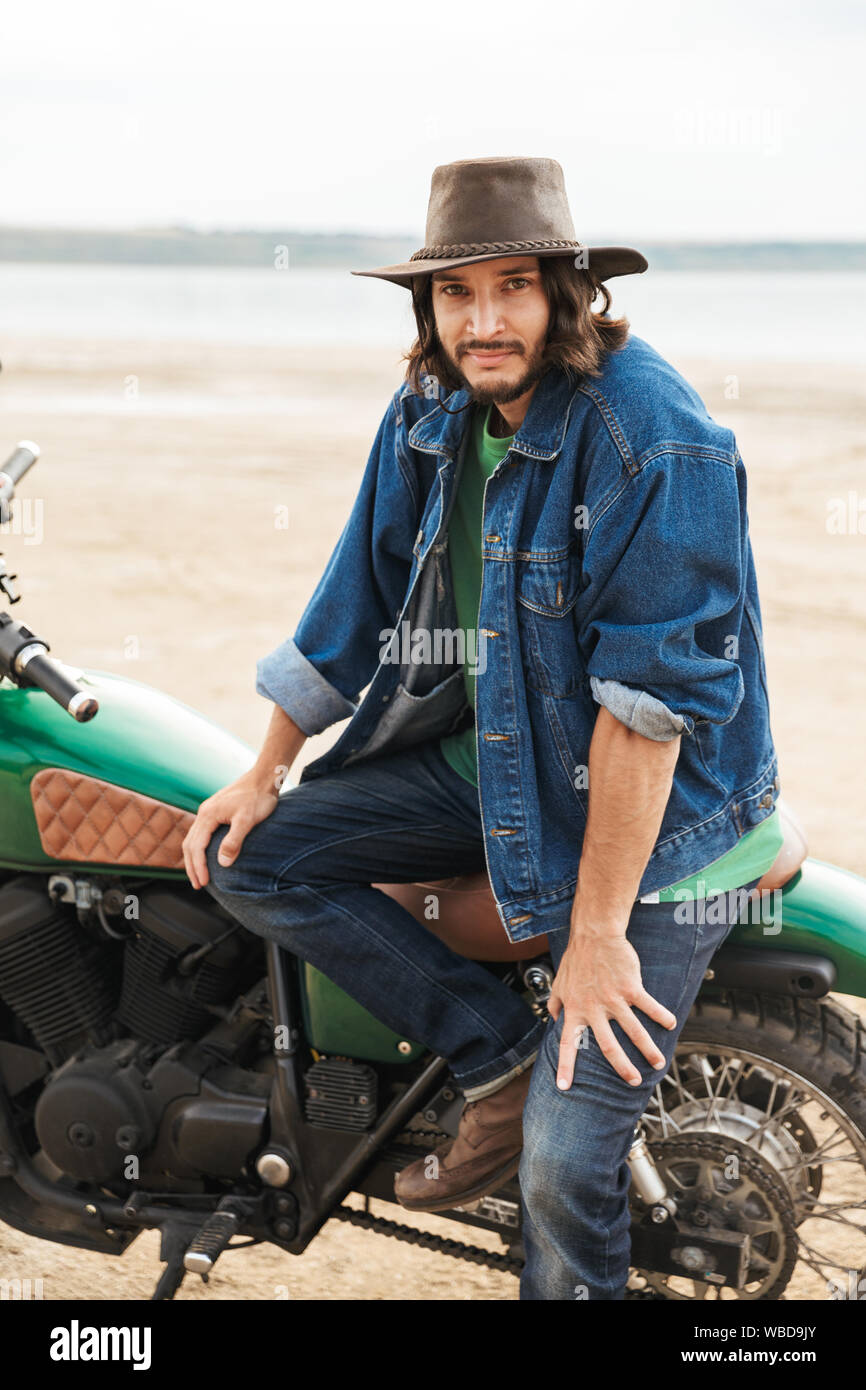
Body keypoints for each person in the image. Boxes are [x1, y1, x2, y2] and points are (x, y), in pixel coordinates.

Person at [181, 155, 783, 1299]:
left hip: (657, 831)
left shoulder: (651, 438)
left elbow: (646, 715)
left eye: (511, 285)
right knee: (245, 855)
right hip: (497, 770)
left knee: (559, 1168)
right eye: (456, 293)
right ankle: (493, 1054)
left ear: (566, 291)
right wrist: (266, 768)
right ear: (428, 308)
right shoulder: (430, 407)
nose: (483, 319)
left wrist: (594, 934)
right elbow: (353, 595)